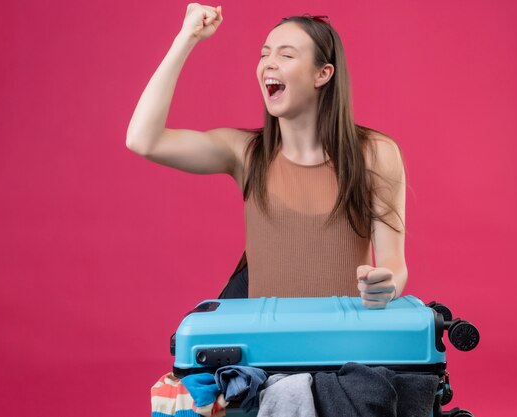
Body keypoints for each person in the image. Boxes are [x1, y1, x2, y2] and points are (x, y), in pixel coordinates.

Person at [126, 4, 408, 309]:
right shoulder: (245, 153)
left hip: (345, 344)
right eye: (264, 54)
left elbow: (395, 265)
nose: (268, 64)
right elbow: (143, 139)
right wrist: (186, 37)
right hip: (264, 349)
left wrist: (386, 284)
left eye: (285, 55)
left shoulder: (375, 154)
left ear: (323, 74)